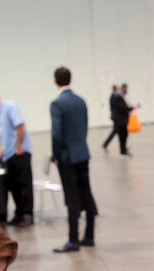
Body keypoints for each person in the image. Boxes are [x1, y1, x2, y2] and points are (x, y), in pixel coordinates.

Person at [50, 66, 97, 253]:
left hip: (67, 156)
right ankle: (90, 236)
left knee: (72, 198)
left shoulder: (57, 104)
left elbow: (56, 134)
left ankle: (73, 240)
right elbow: (84, 127)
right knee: (86, 193)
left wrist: (55, 155)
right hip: (82, 152)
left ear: (55, 81)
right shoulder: (81, 101)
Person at [0, 88, 34, 226]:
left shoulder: (10, 106)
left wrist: (19, 145)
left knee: (24, 184)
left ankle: (27, 214)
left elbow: (20, 125)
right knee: (14, 186)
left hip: (19, 152)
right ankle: (19, 213)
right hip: (7, 155)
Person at [104, 83, 133, 155]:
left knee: (119, 133)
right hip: (119, 119)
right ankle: (121, 148)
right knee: (120, 134)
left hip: (118, 118)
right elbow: (121, 107)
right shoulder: (116, 97)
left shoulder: (116, 96)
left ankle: (122, 147)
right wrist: (130, 108)